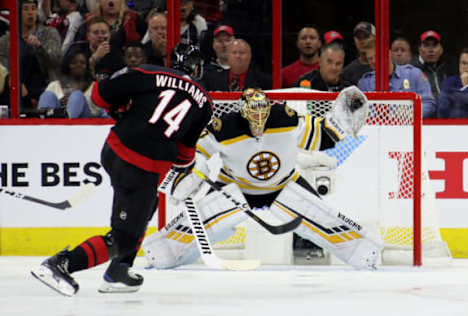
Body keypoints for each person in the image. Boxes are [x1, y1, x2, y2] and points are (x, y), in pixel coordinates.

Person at [31, 43, 213, 296]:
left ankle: (119, 270)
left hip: (115, 149)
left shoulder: (148, 73)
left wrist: (122, 109)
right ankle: (61, 264)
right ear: (197, 68)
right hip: (140, 166)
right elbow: (184, 155)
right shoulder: (204, 101)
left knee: (147, 205)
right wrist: (183, 168)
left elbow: (99, 97)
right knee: (123, 238)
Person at [142, 86, 383, 271]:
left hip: (284, 183)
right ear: (242, 113)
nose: (258, 124)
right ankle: (161, 253)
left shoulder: (286, 119)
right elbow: (193, 151)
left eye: (263, 117)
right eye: (252, 118)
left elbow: (322, 136)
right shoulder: (222, 127)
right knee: (204, 219)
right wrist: (190, 173)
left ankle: (364, 252)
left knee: (320, 215)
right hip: (237, 187)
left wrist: (340, 124)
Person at [0, 0, 62, 113]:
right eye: (26, 9)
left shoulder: (49, 33)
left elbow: (56, 62)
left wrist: (39, 47)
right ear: (17, 13)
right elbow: (3, 68)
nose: (30, 12)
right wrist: (16, 83)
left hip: (45, 86)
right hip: (14, 89)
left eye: (33, 8)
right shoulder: (5, 40)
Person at [358, 39, 436, 118]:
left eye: (376, 56)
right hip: (378, 129)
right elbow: (360, 111)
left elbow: (429, 104)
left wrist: (409, 113)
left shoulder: (413, 74)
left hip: (409, 128)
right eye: (370, 59)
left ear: (388, 53)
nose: (374, 61)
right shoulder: (365, 82)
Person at [37, 48, 104, 118]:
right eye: (74, 63)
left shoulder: (95, 87)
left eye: (82, 63)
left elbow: (101, 113)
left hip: (85, 123)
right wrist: (60, 106)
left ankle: (68, 119)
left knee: (77, 95)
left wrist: (77, 103)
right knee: (47, 95)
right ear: (67, 65)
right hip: (56, 123)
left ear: (86, 66)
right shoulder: (54, 85)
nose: (79, 65)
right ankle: (44, 125)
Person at [67, 16, 126, 81]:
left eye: (103, 32)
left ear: (109, 35)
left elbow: (122, 78)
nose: (100, 36)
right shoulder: (76, 49)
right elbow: (68, 72)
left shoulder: (115, 53)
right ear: (88, 36)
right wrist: (95, 58)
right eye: (95, 33)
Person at [74, 0, 147, 51]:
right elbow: (77, 48)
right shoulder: (88, 22)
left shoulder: (134, 19)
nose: (110, 1)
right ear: (99, 2)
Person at [202, 39, 271, 91]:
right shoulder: (212, 80)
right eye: (234, 53)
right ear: (228, 56)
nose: (237, 56)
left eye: (242, 53)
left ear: (250, 56)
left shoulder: (265, 81)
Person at [438, 47, 468, 118]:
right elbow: (442, 111)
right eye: (463, 63)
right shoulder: (449, 83)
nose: (466, 67)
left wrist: (467, 86)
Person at [411, 30, 451, 102]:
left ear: (441, 50)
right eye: (426, 45)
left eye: (434, 45)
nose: (431, 50)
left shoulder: (448, 67)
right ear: (419, 49)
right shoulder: (412, 69)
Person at [341, 21, 375, 86]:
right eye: (359, 37)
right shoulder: (348, 72)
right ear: (354, 40)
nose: (362, 41)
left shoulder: (388, 65)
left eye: (366, 36)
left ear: (375, 37)